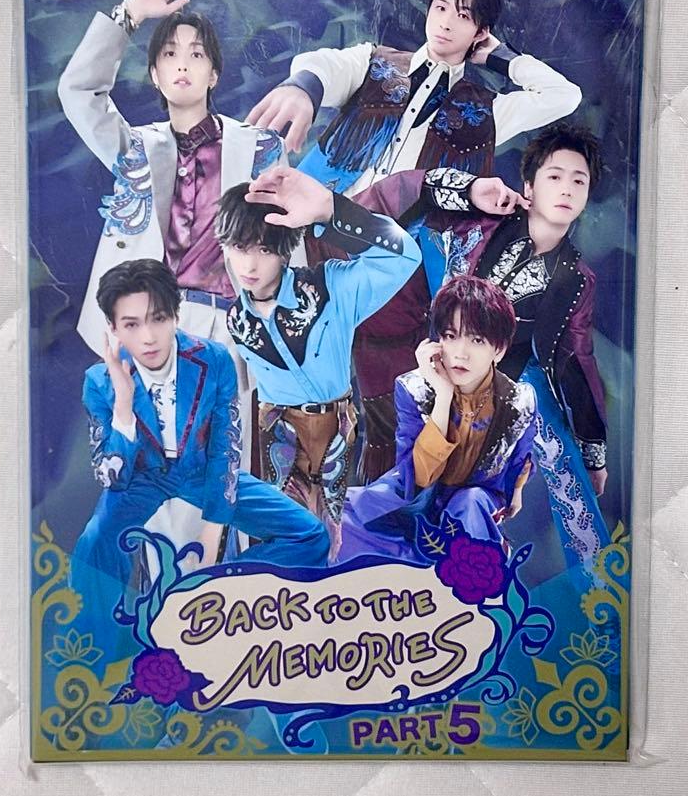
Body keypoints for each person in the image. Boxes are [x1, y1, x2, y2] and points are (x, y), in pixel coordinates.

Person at [349, 123, 611, 588]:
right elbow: (408, 205)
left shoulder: (577, 279)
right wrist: (471, 189)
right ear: (529, 186)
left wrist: (594, 451)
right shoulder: (486, 220)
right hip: (432, 358)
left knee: (563, 466)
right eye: (554, 177)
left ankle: (597, 594)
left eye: (579, 180)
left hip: (507, 383)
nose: (567, 189)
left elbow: (575, 361)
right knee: (400, 479)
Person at [58, 0, 288, 463]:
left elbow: (287, 248)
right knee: (151, 475)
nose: (182, 64)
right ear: (155, 75)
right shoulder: (134, 149)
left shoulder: (260, 148)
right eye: (169, 54)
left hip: (229, 328)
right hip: (153, 326)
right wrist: (130, 14)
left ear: (214, 74)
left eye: (196, 54)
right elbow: (78, 93)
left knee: (225, 476)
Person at [70, 259, 329, 651]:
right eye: (131, 325)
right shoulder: (99, 382)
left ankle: (224, 597)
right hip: (143, 477)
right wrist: (123, 404)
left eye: (158, 319)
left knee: (309, 535)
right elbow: (113, 479)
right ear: (113, 329)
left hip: (201, 469)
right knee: (94, 543)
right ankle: (102, 652)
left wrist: (214, 524)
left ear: (176, 315)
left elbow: (225, 445)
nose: (148, 337)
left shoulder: (213, 358)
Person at [215, 167, 421, 557]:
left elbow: (403, 256)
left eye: (264, 249)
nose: (250, 265)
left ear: (283, 247)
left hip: (337, 428)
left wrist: (331, 210)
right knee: (293, 541)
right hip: (279, 434)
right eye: (240, 248)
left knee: (336, 540)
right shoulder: (236, 320)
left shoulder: (329, 288)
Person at [246, 0, 581, 196]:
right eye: (440, 8)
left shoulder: (486, 111)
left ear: (481, 31)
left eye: (463, 16)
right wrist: (303, 88)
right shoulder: (374, 61)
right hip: (309, 222)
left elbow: (563, 96)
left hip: (398, 260)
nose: (446, 23)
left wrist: (501, 57)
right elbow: (326, 65)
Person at [339, 277, 536, 563]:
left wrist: (515, 492)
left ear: (499, 350)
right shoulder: (414, 389)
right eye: (450, 336)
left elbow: (521, 458)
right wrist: (443, 398)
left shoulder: (519, 402)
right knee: (338, 518)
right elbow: (416, 476)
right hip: (416, 497)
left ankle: (476, 568)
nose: (460, 353)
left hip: (474, 501)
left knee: (469, 505)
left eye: (476, 340)